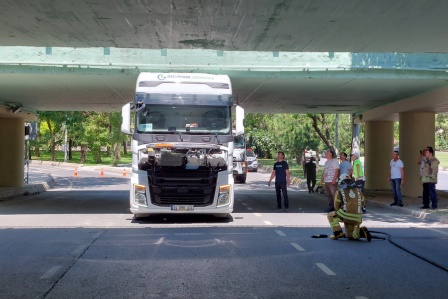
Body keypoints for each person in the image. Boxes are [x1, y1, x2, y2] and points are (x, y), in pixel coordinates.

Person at [327, 173, 371, 241]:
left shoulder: (340, 191)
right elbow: (363, 203)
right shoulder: (358, 190)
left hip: (346, 215)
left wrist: (344, 212)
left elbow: (336, 206)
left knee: (331, 215)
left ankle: (337, 233)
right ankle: (362, 232)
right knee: (351, 236)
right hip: (358, 218)